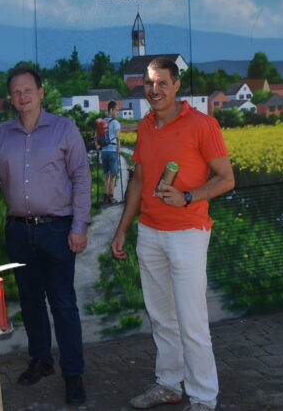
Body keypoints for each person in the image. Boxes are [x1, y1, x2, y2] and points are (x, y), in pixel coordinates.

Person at [110, 57, 235, 411]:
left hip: (188, 234)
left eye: (162, 83)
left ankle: (204, 398)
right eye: (149, 84)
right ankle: (168, 383)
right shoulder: (146, 126)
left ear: (177, 85)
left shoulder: (202, 124)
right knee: (162, 318)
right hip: (149, 233)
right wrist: (122, 230)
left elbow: (227, 179)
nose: (155, 90)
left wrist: (188, 197)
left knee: (192, 323)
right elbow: (137, 181)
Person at [0, 66, 90, 406]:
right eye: (16, 92)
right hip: (19, 231)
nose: (22, 96)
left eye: (28, 90)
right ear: (11, 99)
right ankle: (41, 361)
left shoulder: (64, 129)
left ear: (41, 92)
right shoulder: (1, 133)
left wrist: (79, 226)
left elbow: (81, 177)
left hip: (57, 229)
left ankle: (73, 374)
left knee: (64, 304)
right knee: (32, 302)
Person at [98, 100, 122, 205]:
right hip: (112, 151)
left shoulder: (102, 122)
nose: (118, 112)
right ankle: (111, 197)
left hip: (104, 151)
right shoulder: (116, 123)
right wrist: (119, 148)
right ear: (111, 110)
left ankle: (105, 197)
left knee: (106, 176)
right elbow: (117, 137)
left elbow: (96, 137)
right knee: (113, 176)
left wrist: (98, 146)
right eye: (116, 110)